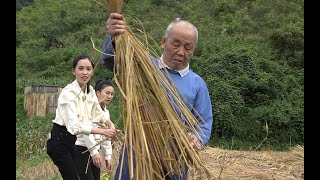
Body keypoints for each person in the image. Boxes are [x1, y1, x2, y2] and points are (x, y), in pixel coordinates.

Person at [101, 13, 213, 180]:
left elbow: (204, 124)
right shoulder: (143, 65)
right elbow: (111, 60)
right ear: (163, 42)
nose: (181, 52)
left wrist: (195, 140)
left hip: (174, 158)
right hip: (137, 152)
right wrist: (114, 36)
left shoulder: (197, 84)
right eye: (176, 44)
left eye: (188, 47)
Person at [46, 54, 117, 180]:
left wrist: (109, 123)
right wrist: (103, 131)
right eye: (80, 68)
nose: (85, 72)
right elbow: (74, 127)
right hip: (59, 142)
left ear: (92, 71)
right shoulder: (68, 94)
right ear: (73, 71)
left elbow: (98, 113)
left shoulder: (89, 92)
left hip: (72, 142)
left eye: (88, 69)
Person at [74, 79, 116, 180]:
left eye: (112, 94)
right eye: (107, 93)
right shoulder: (88, 108)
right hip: (82, 150)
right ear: (97, 93)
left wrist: (107, 157)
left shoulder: (106, 113)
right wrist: (94, 152)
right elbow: (86, 131)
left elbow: (106, 136)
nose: (110, 96)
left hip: (95, 151)